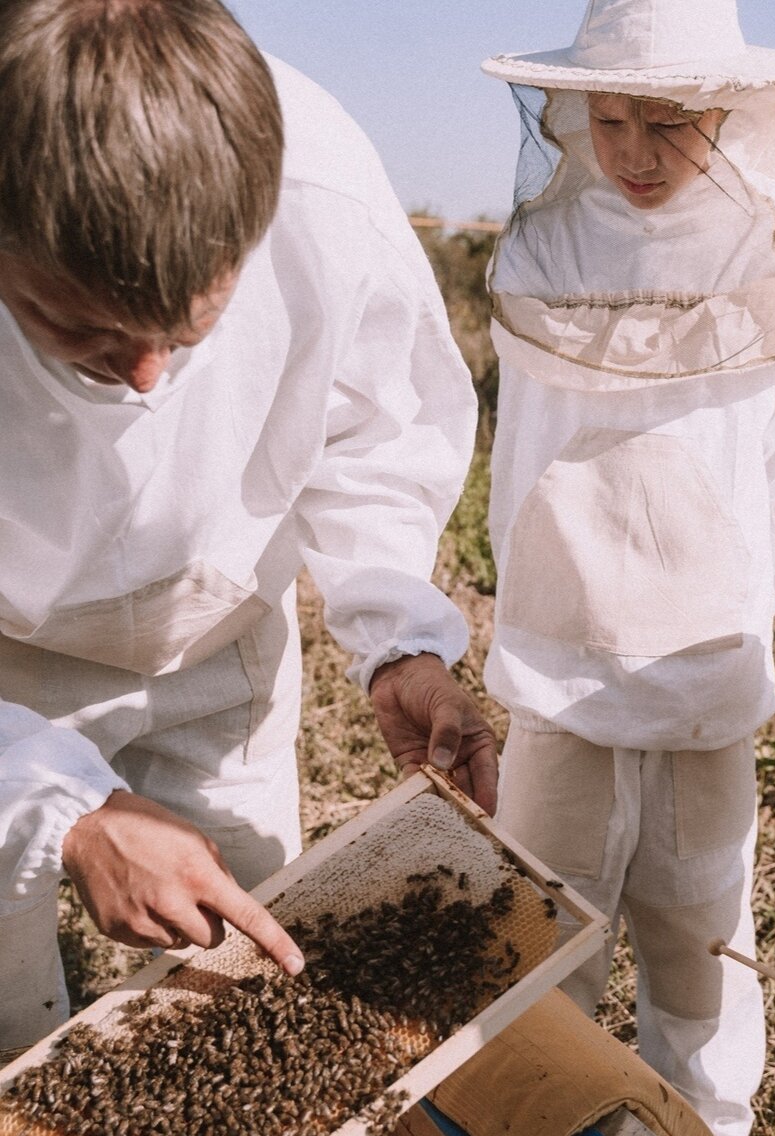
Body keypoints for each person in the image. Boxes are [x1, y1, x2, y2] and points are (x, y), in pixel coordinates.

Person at [0, 0, 496, 1051]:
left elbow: (373, 432)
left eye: (187, 326)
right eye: (78, 325)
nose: (143, 377)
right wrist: (62, 811)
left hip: (221, 638)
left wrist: (396, 637)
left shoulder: (325, 191)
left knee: (243, 976)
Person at [478, 0, 775, 1136]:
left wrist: (734, 612)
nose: (635, 152)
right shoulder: (546, 241)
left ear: (731, 113)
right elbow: (525, 455)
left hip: (704, 665)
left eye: (670, 122)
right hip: (557, 659)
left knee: (702, 938)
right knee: (545, 943)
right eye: (612, 118)